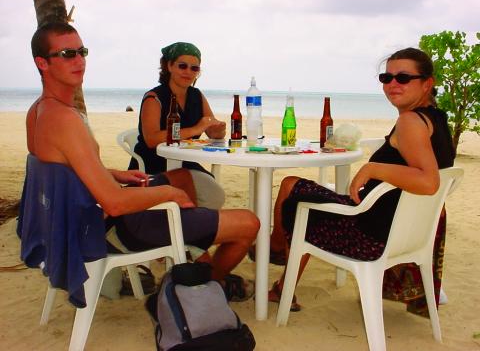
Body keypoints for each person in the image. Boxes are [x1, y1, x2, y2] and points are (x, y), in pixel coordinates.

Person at [26, 22, 259, 301]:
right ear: (42, 63)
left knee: (182, 178)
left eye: (82, 52)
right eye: (67, 54)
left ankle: (194, 255)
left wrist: (114, 173)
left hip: (89, 219)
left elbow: (65, 170)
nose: (79, 61)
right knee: (249, 223)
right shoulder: (64, 119)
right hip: (111, 226)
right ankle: (200, 283)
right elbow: (114, 203)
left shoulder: (39, 110)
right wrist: (169, 194)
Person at [266, 47, 455, 313]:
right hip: (402, 231)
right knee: (295, 190)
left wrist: (373, 168)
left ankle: (276, 257)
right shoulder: (435, 119)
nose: (392, 84)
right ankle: (279, 271)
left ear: (427, 84)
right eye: (386, 78)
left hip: (368, 235)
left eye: (403, 78)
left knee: (293, 193)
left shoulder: (411, 121)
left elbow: (428, 182)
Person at [128, 42, 226, 210]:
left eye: (194, 68)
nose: (188, 72)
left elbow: (211, 131)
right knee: (211, 196)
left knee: (213, 194)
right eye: (182, 66)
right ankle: (186, 229)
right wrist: (195, 130)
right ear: (169, 66)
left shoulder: (196, 95)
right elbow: (151, 139)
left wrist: (218, 130)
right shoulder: (154, 97)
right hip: (154, 165)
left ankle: (188, 229)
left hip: (185, 162)